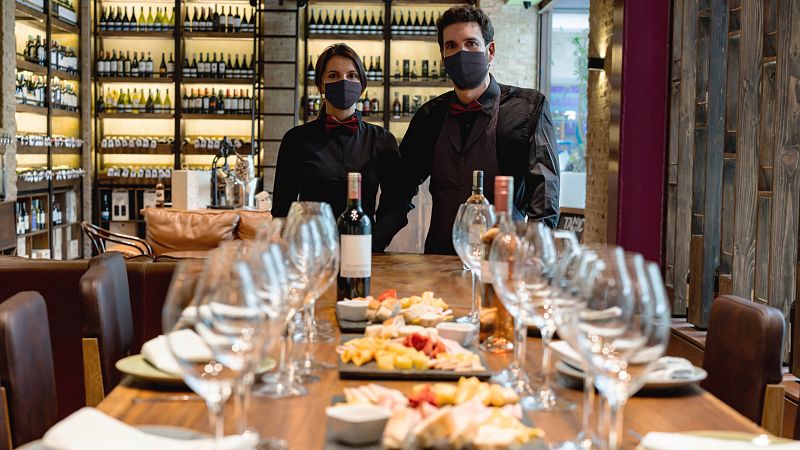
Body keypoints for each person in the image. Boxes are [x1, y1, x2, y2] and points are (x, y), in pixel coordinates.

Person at [400, 5, 560, 255]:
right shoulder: (429, 116)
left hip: (503, 259)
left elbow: (544, 195)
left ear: (490, 51)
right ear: (443, 56)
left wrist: (536, 255)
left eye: (471, 43)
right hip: (439, 260)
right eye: (451, 46)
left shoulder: (529, 108)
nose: (461, 53)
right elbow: (399, 189)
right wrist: (372, 244)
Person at [272, 44, 408, 251]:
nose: (344, 82)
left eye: (352, 75)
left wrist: (371, 242)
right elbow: (282, 209)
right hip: (312, 252)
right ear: (321, 85)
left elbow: (396, 206)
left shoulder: (382, 140)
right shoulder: (296, 140)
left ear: (362, 86)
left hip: (365, 250)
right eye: (333, 75)